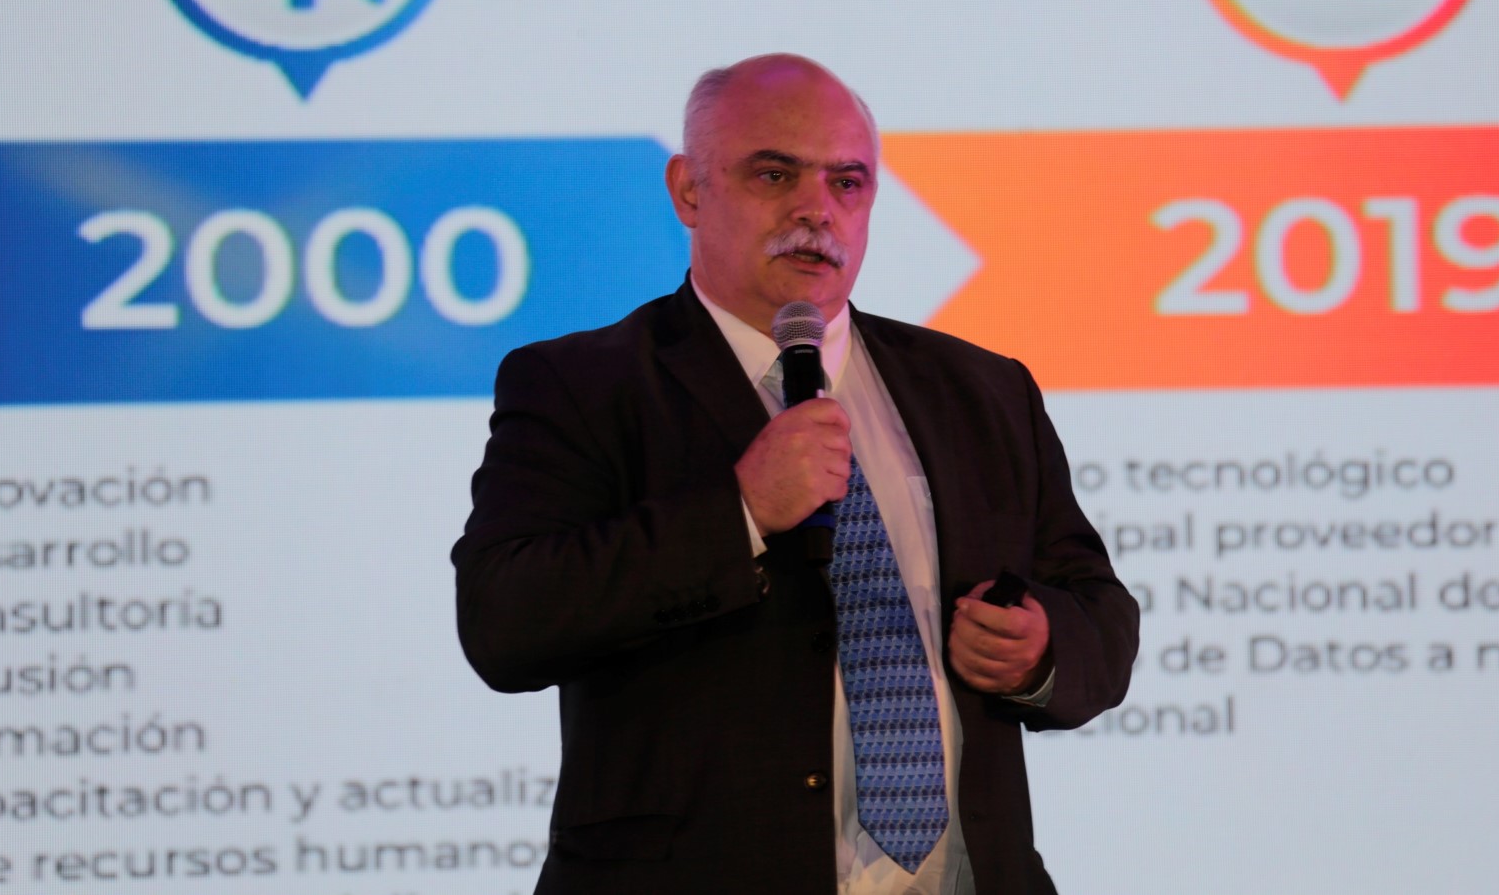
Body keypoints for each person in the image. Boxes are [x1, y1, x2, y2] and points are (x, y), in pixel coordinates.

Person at [453, 54, 1139, 895]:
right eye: (774, 174)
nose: (816, 209)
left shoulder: (982, 389)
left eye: (847, 182)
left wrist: (1040, 649)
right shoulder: (584, 384)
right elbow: (504, 620)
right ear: (689, 190)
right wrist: (741, 511)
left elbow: (1101, 614)